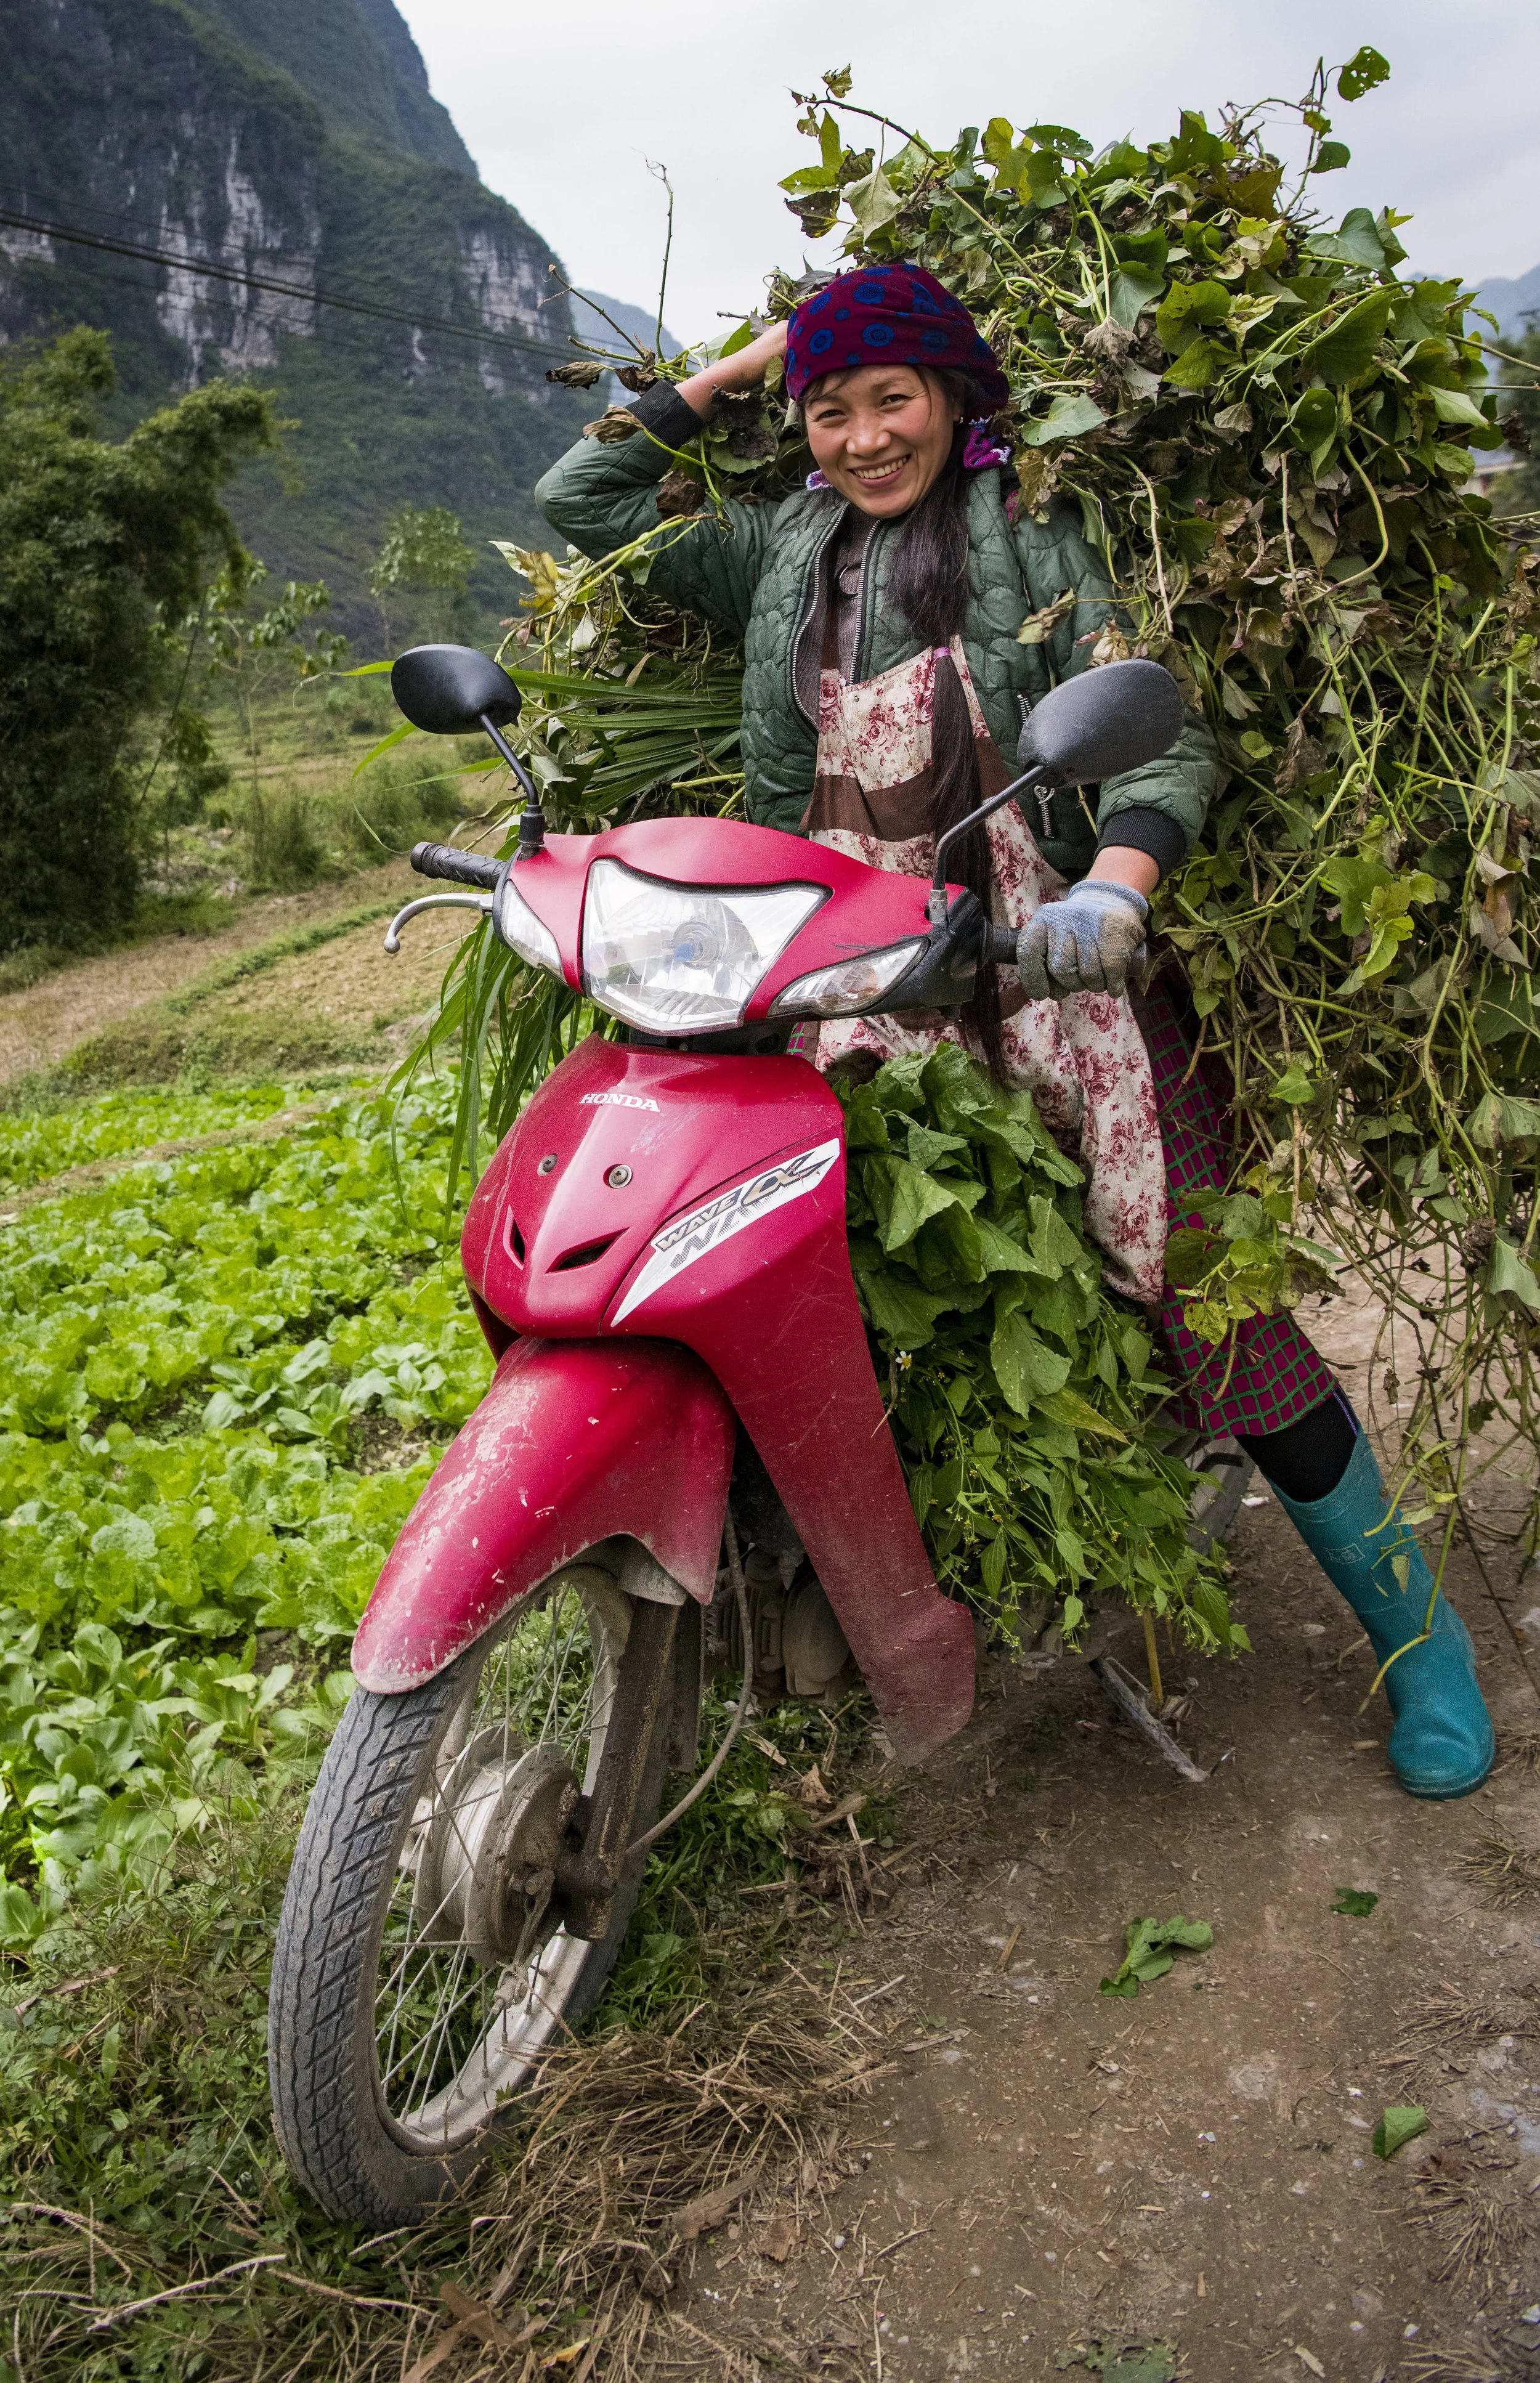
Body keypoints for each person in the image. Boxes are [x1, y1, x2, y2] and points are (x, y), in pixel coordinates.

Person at [534, 263, 1494, 1800]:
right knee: (911, 1298)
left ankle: (1418, 1643)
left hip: (1052, 970)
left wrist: (1112, 889)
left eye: (890, 396)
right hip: (856, 986)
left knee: (1204, 1299)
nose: (862, 437)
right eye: (830, 409)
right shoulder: (778, 551)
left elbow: (1154, 735)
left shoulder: (1034, 530)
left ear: (953, 397)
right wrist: (750, 363)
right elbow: (582, 499)